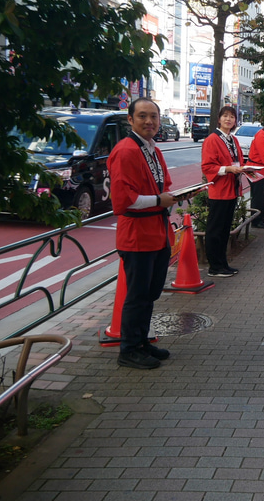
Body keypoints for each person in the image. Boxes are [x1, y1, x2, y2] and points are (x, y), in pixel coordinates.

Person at [107, 98, 188, 369]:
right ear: (130, 119)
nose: (149, 122)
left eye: (153, 116)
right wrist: (159, 201)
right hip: (138, 234)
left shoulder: (151, 149)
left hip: (156, 231)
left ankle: (141, 342)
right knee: (138, 295)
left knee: (150, 293)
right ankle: (129, 350)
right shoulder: (127, 151)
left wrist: (168, 198)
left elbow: (161, 185)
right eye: (142, 116)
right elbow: (123, 201)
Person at [201, 106, 245, 278]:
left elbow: (238, 161)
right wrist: (227, 169)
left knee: (225, 229)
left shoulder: (232, 140)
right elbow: (207, 166)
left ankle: (223, 263)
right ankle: (215, 266)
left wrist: (243, 169)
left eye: (232, 117)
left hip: (231, 189)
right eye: (225, 116)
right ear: (219, 119)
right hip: (219, 190)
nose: (229, 119)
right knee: (216, 229)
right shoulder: (212, 139)